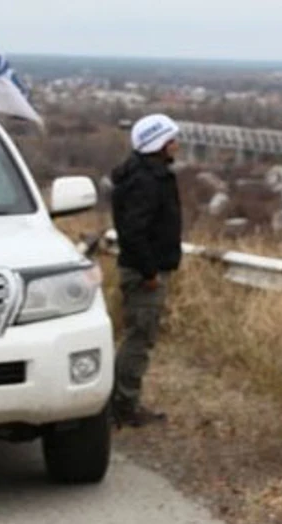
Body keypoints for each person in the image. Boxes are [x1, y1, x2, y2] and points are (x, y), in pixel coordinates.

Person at [110, 113, 182, 428]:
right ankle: (123, 404)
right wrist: (150, 271)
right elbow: (134, 231)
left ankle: (121, 401)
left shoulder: (142, 175)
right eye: (171, 139)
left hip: (142, 268)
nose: (176, 145)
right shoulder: (148, 181)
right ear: (159, 143)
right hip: (143, 273)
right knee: (139, 338)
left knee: (138, 336)